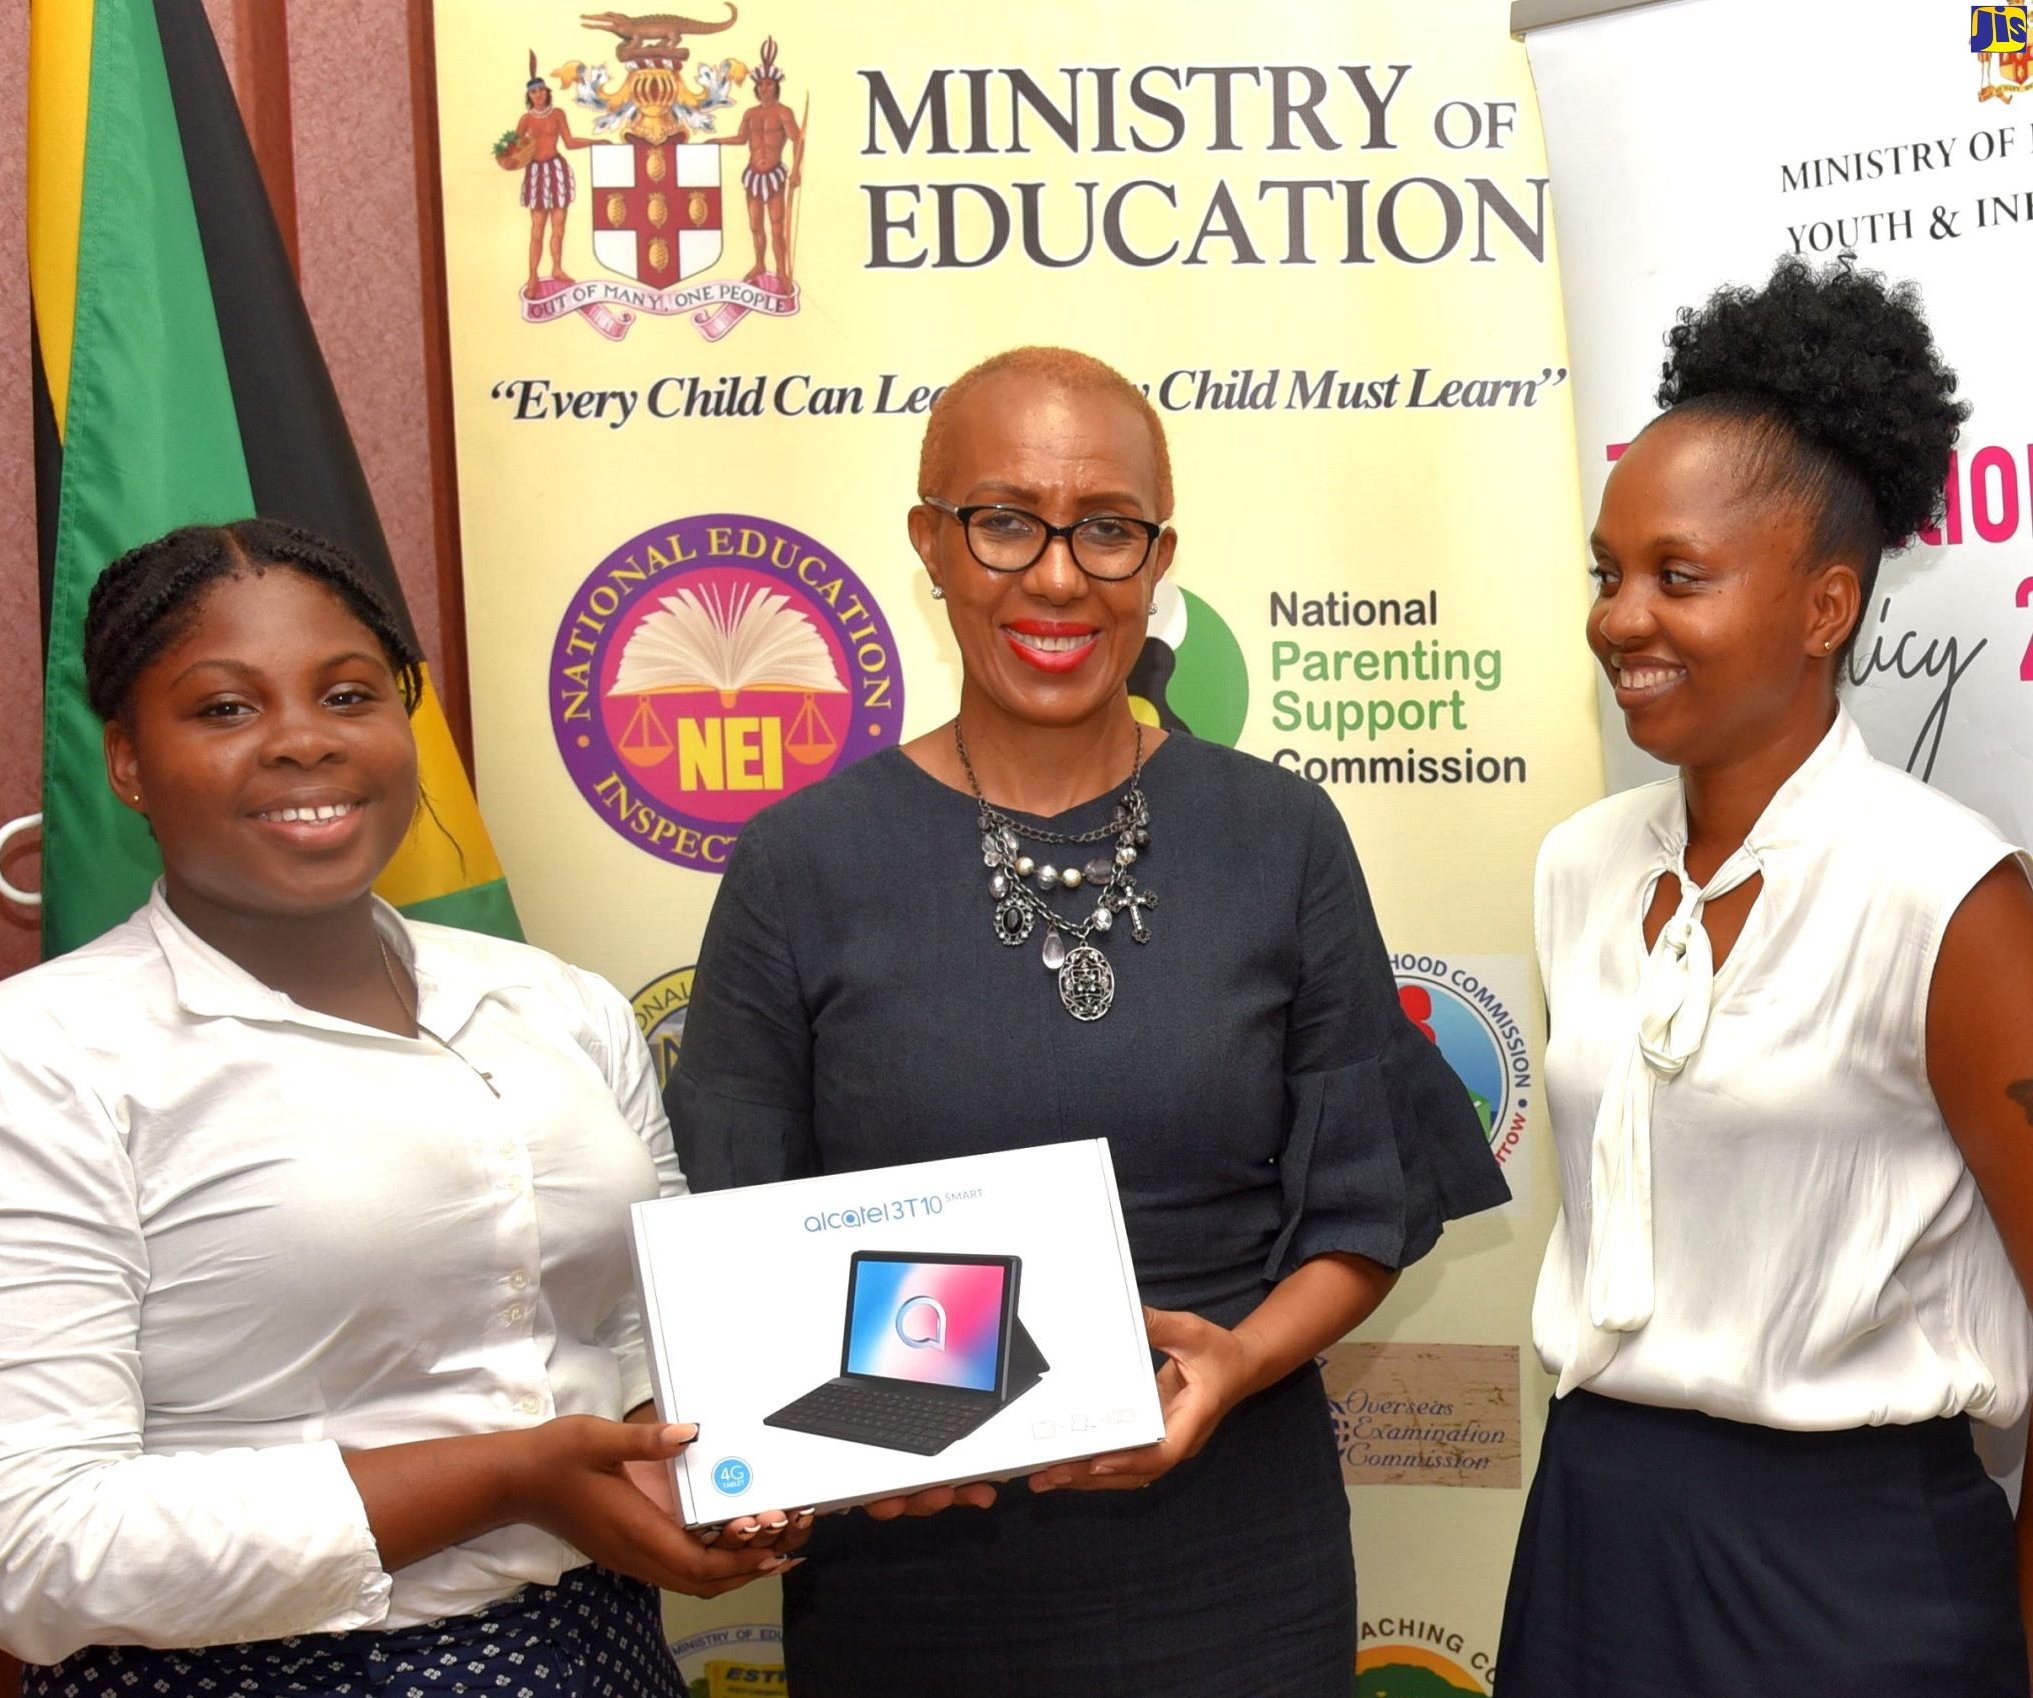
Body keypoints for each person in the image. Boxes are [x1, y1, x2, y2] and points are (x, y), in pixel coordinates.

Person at [667, 346, 1509, 1696]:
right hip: (917, 1567)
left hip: (1234, 1553)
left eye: (1107, 531)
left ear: (1158, 554)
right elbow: (733, 1262)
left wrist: (1235, 1364)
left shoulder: (1279, 835)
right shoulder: (799, 865)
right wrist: (863, 1427)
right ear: (929, 543)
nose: (1057, 578)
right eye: (1006, 521)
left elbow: (1362, 1209)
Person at [0, 520, 807, 1697]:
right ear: (125, 760)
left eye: (349, 693)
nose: (301, 743)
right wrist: (509, 1476)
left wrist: (735, 1471)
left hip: (605, 1656)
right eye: (224, 708)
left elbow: (647, 1342)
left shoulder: (556, 1005)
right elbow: (29, 1547)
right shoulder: (37, 1058)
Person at [1496, 258, 2033, 1694]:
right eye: (1607, 574)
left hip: (1852, 1577)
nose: (1621, 617)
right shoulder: (1579, 866)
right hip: (1596, 1531)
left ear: (1825, 606)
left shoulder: (1948, 891)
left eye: (1679, 575)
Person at [705, 36, 802, 287]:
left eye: (768, 84)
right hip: (752, 175)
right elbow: (740, 139)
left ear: (775, 86)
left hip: (774, 174)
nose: (764, 88)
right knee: (755, 224)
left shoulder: (784, 112)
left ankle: (781, 270)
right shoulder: (750, 114)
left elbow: (797, 140)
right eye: (760, 84)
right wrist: (718, 141)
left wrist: (797, 171)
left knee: (777, 225)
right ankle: (760, 263)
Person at [517, 71, 598, 296]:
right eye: (533, 92)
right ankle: (533, 275)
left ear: (546, 91)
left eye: (541, 90)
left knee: (559, 226)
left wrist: (596, 142)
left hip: (556, 170)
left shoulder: (558, 114)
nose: (538, 95)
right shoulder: (526, 120)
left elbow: (570, 142)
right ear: (529, 96)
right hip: (536, 174)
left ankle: (557, 268)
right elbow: (515, 148)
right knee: (537, 228)